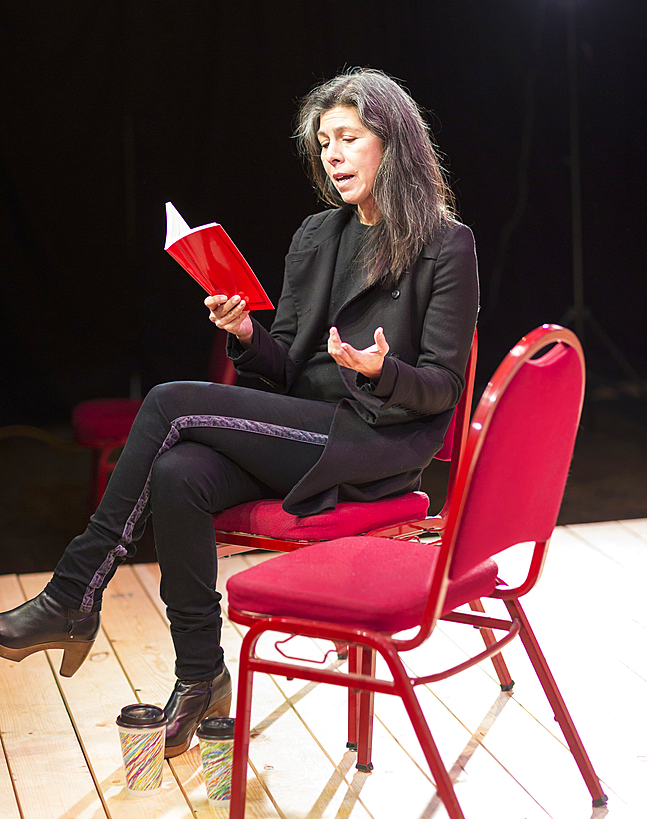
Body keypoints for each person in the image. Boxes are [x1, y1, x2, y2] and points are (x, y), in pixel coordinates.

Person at [0, 68, 478, 757]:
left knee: (168, 402)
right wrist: (249, 336)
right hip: (299, 427)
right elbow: (285, 369)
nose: (332, 155)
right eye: (323, 144)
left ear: (392, 144)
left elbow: (441, 388)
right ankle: (200, 675)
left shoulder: (444, 243)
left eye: (348, 139)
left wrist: (381, 371)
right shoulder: (316, 235)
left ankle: (72, 595)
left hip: (370, 442)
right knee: (180, 473)